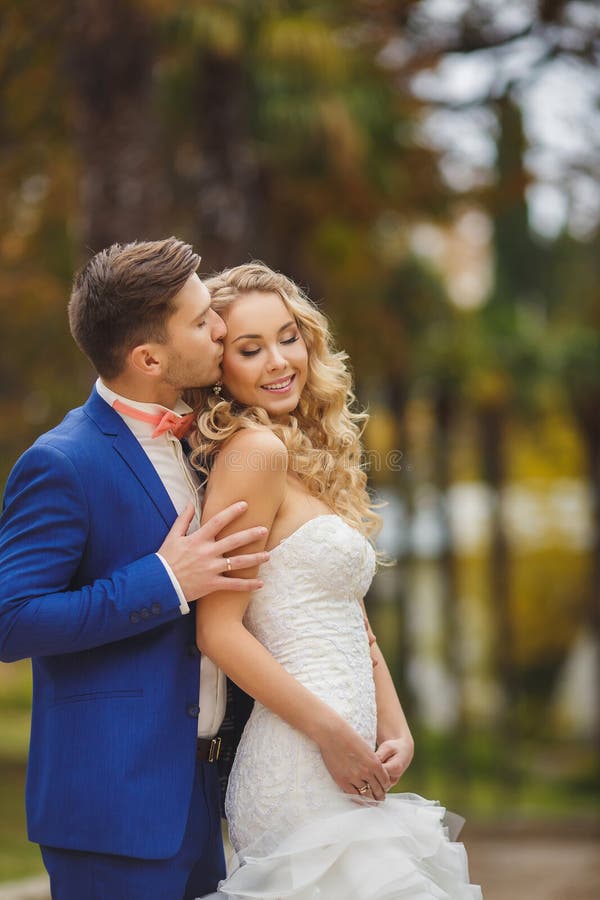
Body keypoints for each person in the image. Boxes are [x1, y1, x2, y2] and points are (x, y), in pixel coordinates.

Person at [189, 262, 483, 898]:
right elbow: (217, 630)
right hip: (300, 763)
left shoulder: (302, 453)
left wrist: (394, 727)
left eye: (288, 337)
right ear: (220, 367)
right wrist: (333, 737)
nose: (278, 361)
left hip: (350, 755)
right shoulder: (252, 454)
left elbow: (354, 623)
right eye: (250, 348)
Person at [0, 238, 274, 900]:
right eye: (204, 318)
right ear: (150, 357)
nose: (223, 327)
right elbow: (11, 621)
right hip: (110, 811)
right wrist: (166, 581)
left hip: (201, 799)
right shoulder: (62, 462)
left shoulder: (208, 445)